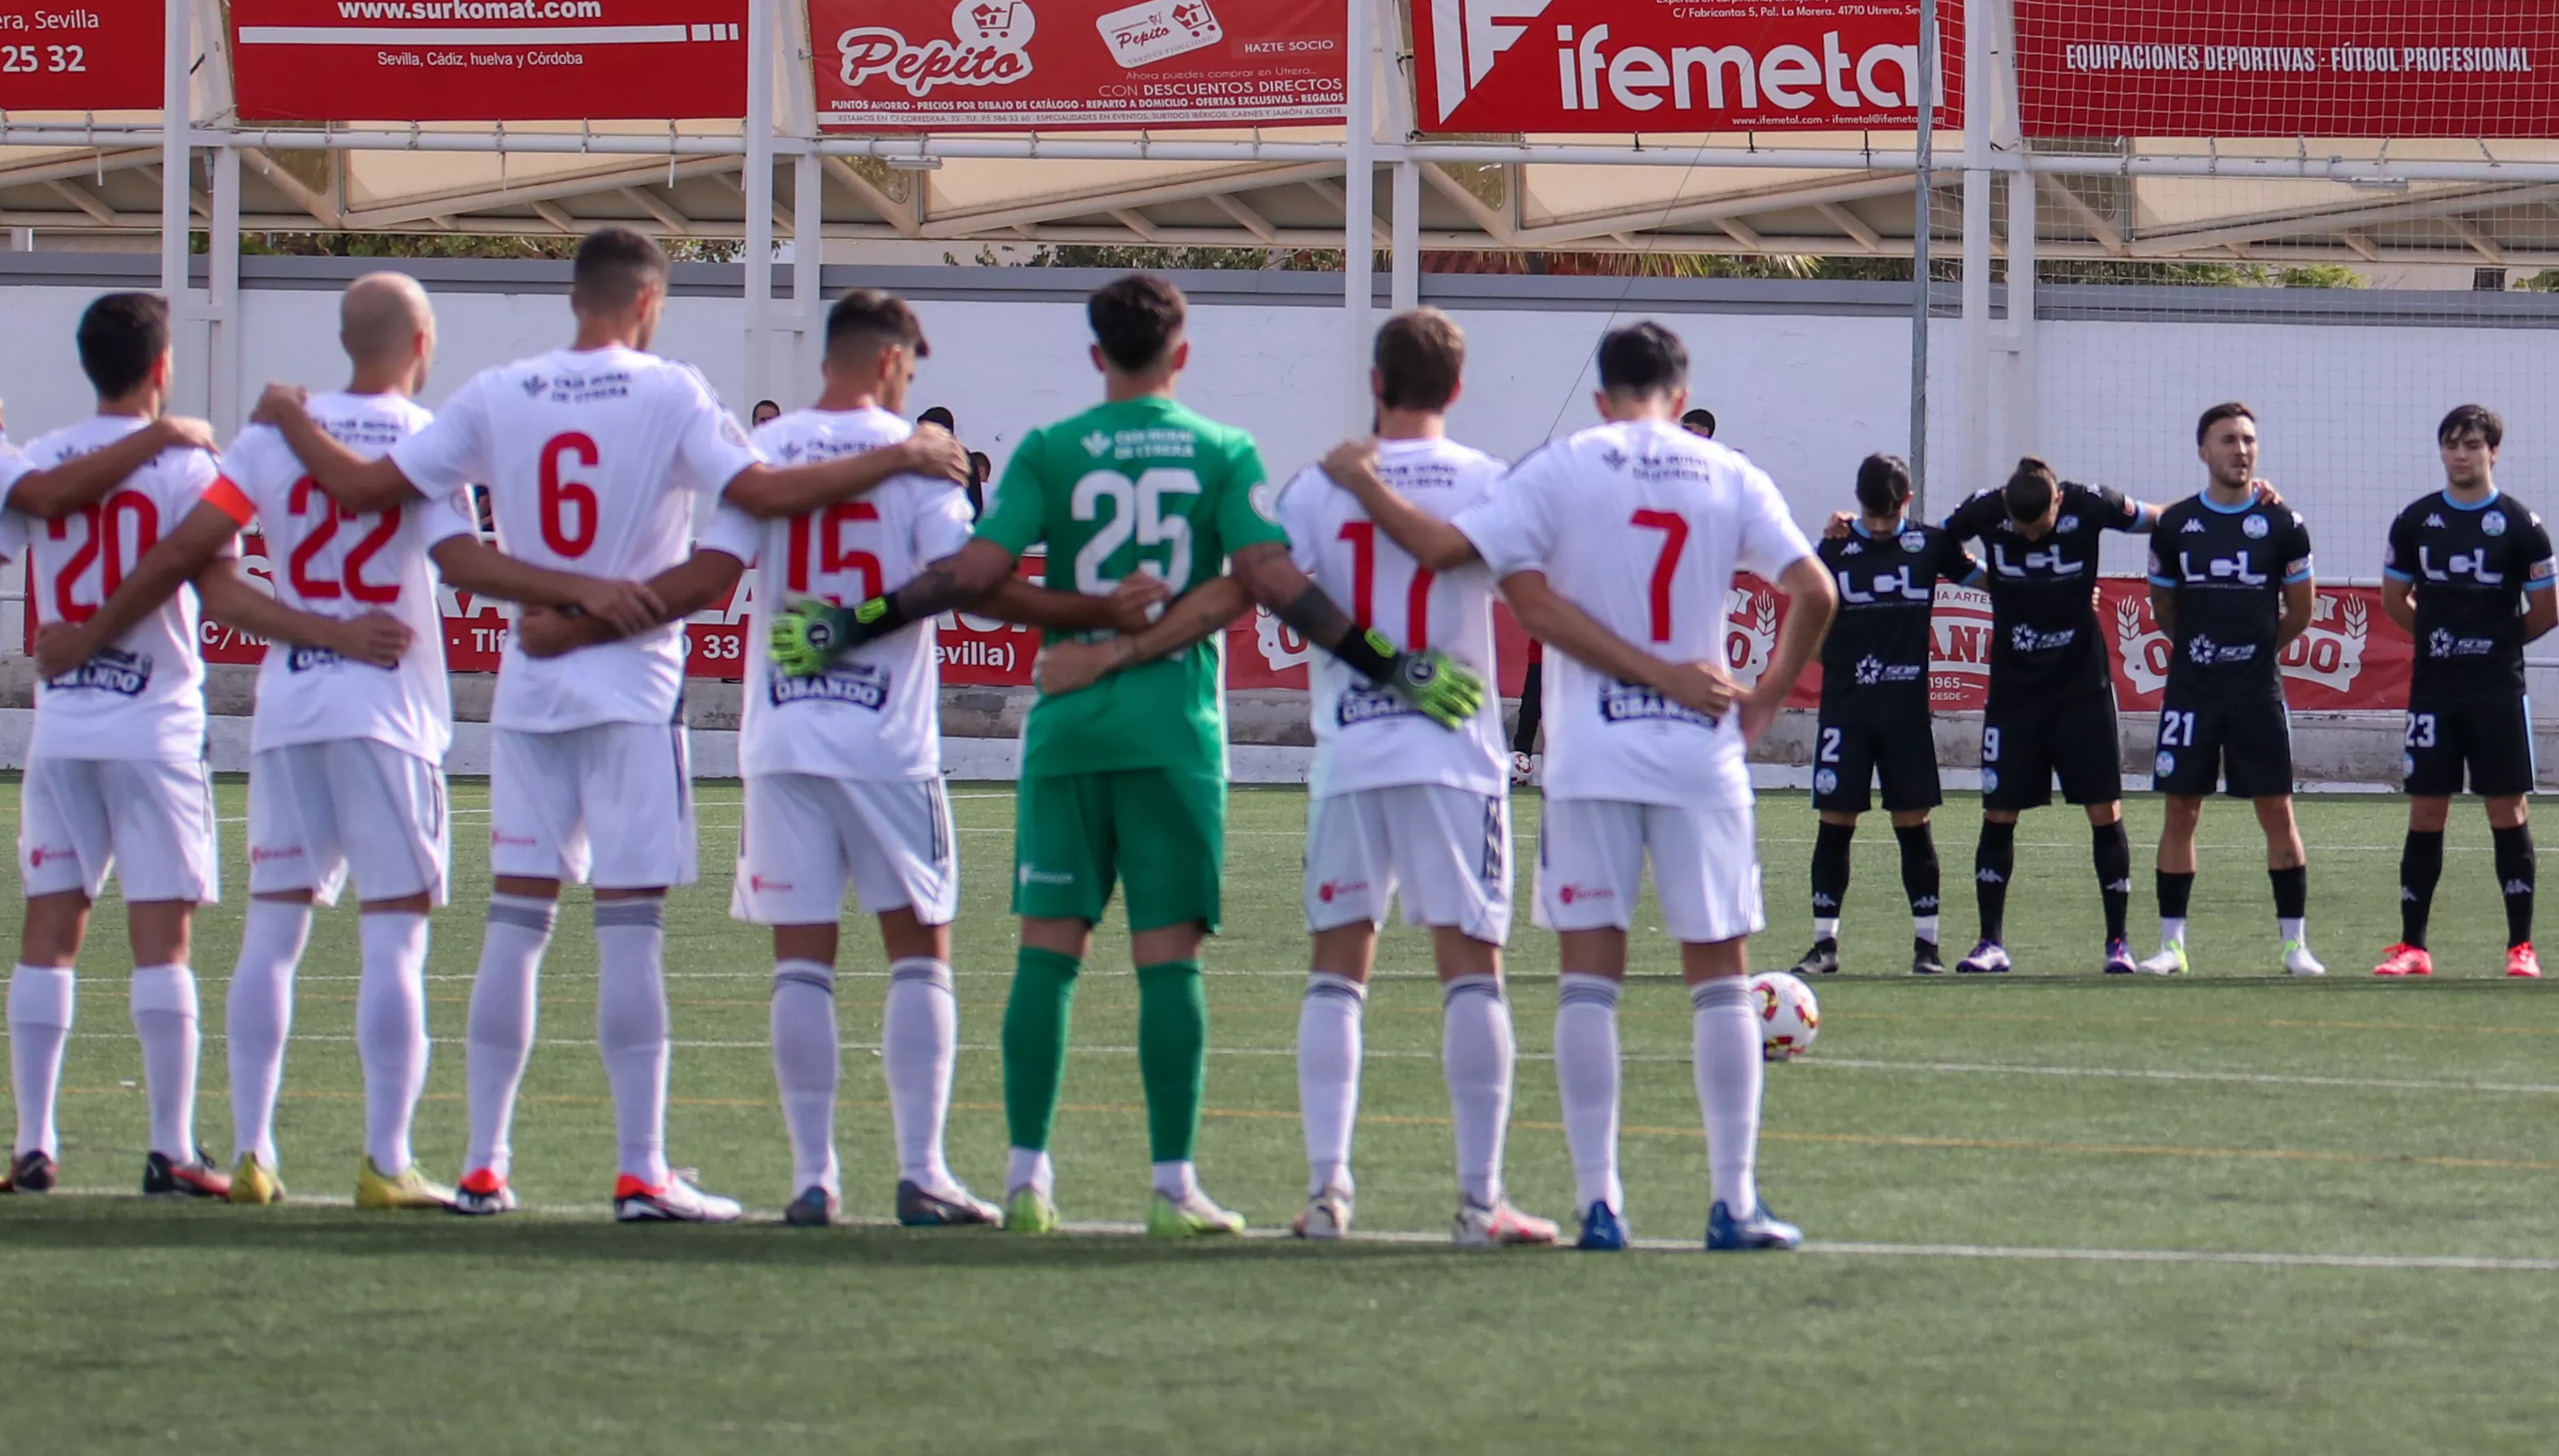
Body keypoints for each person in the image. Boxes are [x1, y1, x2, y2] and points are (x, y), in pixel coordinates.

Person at [257, 224, 964, 1221]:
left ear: (576, 295)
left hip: (532, 688)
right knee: (629, 932)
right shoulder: (673, 390)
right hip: (632, 692)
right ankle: (640, 1167)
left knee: (516, 924)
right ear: (647, 299)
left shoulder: (502, 389)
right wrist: (907, 450)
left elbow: (391, 505)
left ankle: (483, 1164)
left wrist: (289, 418)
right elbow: (754, 500)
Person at [769, 271, 1482, 1234]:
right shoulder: (1222, 450)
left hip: (1068, 726)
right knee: (1168, 962)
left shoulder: (1052, 450)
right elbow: (1270, 580)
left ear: (1096, 354)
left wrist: (846, 626)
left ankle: (1026, 1181)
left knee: (1047, 955)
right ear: (1180, 355)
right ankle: (1172, 1186)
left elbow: (973, 576)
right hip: (1171, 734)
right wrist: (1396, 668)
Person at [58, 274, 536, 1209]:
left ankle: (252, 1153)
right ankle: (385, 1159)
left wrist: (308, 626)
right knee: (394, 937)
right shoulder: (423, 439)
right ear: (423, 340)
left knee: (272, 933)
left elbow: (198, 565)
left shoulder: (271, 437)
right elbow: (453, 559)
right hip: (388, 714)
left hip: (288, 713)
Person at [628, 290, 1030, 1225]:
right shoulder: (923, 461)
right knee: (918, 949)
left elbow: (714, 574)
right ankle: (923, 1171)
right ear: (890, 360)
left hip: (780, 732)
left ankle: (814, 1176)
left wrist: (602, 615)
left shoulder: (763, 454)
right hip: (886, 739)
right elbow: (957, 581)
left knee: (800, 958)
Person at [1439, 319, 1833, 1248]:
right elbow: (1815, 589)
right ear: (1680, 383)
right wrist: (1765, 696)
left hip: (1591, 754)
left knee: (1589, 983)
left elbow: (1523, 598)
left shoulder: (1564, 465)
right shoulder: (1726, 471)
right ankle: (1734, 1203)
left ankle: (1598, 1204)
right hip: (1701, 751)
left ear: (1603, 394)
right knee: (1720, 981)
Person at [1171, 306, 1556, 1247]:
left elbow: (1256, 582)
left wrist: (1134, 639)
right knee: (1473, 976)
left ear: (1376, 383)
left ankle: (1326, 1197)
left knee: (1337, 977)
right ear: (1456, 389)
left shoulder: (1314, 486)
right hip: (1456, 761)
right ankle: (1477, 1202)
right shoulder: (1486, 478)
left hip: (1350, 753)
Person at [0, 270, 207, 1198]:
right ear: (163, 364)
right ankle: (169, 1147)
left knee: (51, 927)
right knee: (161, 937)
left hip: (63, 726)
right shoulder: (184, 461)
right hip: (153, 723)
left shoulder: (42, 452)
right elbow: (216, 576)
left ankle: (33, 1141)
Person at [1935, 453, 2152, 975]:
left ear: (2058, 500)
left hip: (2083, 690)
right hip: (2016, 694)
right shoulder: (1987, 510)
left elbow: (2163, 520)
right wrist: (1983, 581)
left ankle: (2117, 943)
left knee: (2104, 811)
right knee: (1999, 813)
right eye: (2019, 530)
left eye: (2040, 529)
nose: (2030, 539)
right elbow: (1937, 542)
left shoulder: (2092, 503)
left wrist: (2236, 504)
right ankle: (1990, 942)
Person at [2375, 403, 2559, 977]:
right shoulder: (2415, 521)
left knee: (2507, 809)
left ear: (2494, 452)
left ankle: (2520, 948)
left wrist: (2494, 646)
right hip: (2435, 692)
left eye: (2473, 444)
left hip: (2497, 694)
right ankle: (2413, 947)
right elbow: (2393, 600)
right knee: (2427, 811)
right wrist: (2439, 641)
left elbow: (2547, 613)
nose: (2461, 453)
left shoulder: (2522, 525)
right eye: (2452, 444)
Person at [2143, 401, 2320, 979]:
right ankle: (2172, 946)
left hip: (2256, 694)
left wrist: (2258, 648)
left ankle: (2295, 947)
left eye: (2248, 439)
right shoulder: (2175, 526)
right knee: (2180, 810)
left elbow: (2301, 609)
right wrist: (2201, 649)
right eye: (2227, 440)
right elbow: (2164, 607)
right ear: (2203, 451)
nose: (2240, 450)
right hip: (2193, 692)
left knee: (2276, 809)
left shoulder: (2283, 523)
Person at [1798, 451, 1947, 978]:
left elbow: (1991, 583)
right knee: (1836, 824)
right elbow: (1809, 626)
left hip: (1906, 714)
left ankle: (1927, 948)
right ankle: (1824, 946)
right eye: (1873, 516)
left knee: (1914, 825)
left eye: (1890, 516)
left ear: (1907, 502)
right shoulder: (1832, 549)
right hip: (1847, 711)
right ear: (1857, 504)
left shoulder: (1930, 545)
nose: (1881, 527)